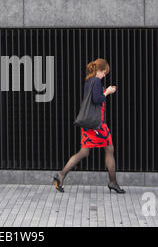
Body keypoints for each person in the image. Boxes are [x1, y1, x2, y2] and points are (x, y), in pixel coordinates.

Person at [53, 58, 125, 194]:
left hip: (88, 124)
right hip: (97, 125)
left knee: (84, 152)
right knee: (109, 149)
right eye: (104, 72)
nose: (104, 75)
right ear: (99, 70)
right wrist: (108, 92)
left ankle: (61, 175)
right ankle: (113, 182)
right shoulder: (96, 81)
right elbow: (96, 99)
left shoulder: (89, 81)